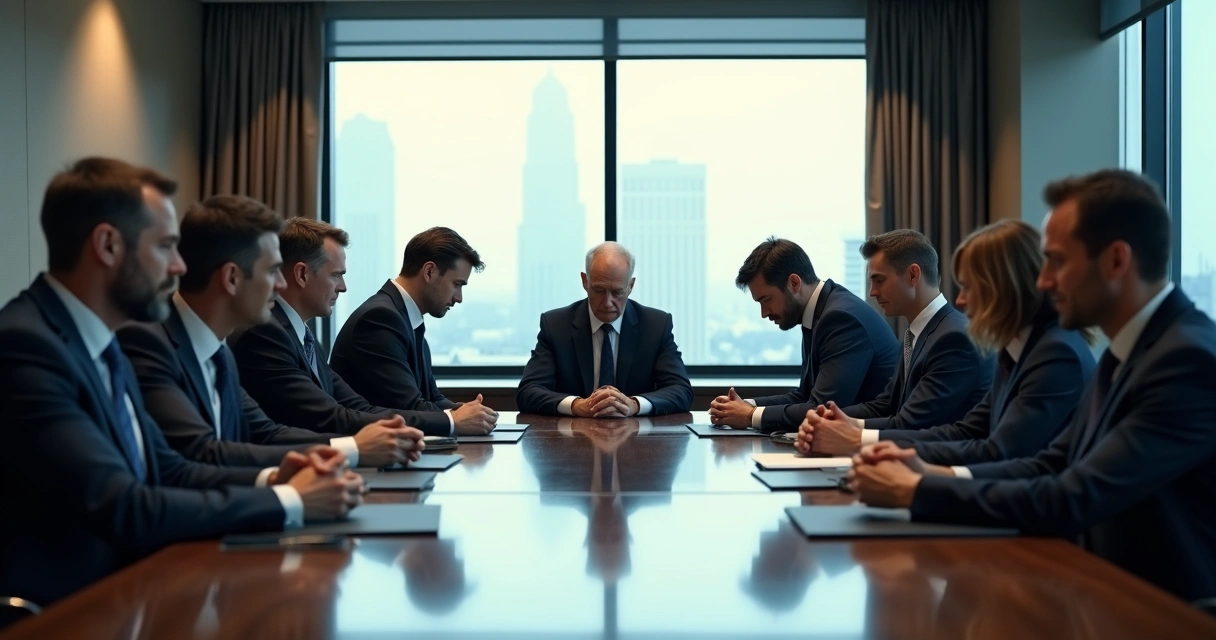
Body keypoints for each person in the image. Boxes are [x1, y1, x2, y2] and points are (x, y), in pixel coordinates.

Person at [0, 158, 361, 609]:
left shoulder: (102, 344)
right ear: (108, 246)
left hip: (137, 591)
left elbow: (169, 468)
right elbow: (126, 507)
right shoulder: (26, 346)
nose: (178, 267)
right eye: (166, 247)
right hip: (71, 612)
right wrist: (289, 500)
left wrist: (274, 476)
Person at [850, 169, 1216, 602]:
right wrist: (926, 472)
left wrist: (918, 489)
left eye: (1057, 261)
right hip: (1102, 591)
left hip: (1159, 611)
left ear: (1117, 260)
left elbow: (1075, 496)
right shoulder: (1129, 350)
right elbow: (1049, 464)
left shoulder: (1185, 360)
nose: (1042, 281)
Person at [118, 196, 424, 469]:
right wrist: (352, 451)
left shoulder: (217, 348)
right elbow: (201, 454)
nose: (281, 285)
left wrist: (354, 449)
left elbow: (265, 432)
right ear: (232, 278)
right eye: (271, 271)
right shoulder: (148, 342)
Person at [796, 221, 1094, 462]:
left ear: (1005, 286)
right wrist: (851, 430)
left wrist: (862, 442)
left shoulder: (1054, 354)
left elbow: (1000, 452)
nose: (961, 300)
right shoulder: (1017, 349)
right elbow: (967, 430)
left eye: (968, 286)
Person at [231, 218, 492, 436]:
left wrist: (458, 416)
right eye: (336, 275)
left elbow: (361, 407)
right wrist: (451, 421)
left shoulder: (302, 335)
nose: (343, 287)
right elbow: (332, 417)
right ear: (301, 275)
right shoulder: (266, 334)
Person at [709, 237, 899, 432]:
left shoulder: (840, 318)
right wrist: (743, 406)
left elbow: (820, 408)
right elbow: (804, 396)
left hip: (873, 444)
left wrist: (749, 416)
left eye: (766, 300)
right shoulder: (819, 311)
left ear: (794, 283)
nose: (764, 313)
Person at [330, 227, 498, 431]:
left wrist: (464, 411)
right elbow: (408, 406)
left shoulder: (405, 316)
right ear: (429, 272)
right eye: (457, 284)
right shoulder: (380, 318)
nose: (459, 298)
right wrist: (456, 419)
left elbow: (431, 396)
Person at [831, 230, 990, 431]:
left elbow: (910, 423)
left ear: (913, 275)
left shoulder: (954, 339)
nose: (872, 292)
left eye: (879, 280)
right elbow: (887, 404)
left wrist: (847, 429)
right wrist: (832, 417)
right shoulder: (914, 333)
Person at [516, 242, 693, 416]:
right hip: (572, 438)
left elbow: (681, 390)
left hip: (638, 438)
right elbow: (528, 392)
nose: (608, 303)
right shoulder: (556, 325)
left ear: (630, 286)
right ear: (585, 281)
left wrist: (634, 405)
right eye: (599, 290)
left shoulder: (656, 326)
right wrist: (576, 405)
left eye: (617, 292)